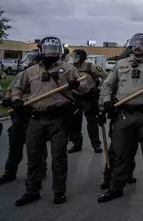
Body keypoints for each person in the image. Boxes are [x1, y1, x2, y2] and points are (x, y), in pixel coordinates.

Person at [12, 37, 88, 206]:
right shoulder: (30, 71)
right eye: (48, 48)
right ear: (41, 50)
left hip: (59, 118)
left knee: (59, 157)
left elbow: (84, 89)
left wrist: (76, 85)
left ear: (60, 50)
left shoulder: (68, 69)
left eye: (54, 48)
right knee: (33, 157)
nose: (51, 52)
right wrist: (16, 99)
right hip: (36, 118)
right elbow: (18, 88)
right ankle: (32, 191)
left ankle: (59, 192)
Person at [97, 33, 143, 203]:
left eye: (140, 44)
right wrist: (106, 103)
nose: (136, 46)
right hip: (124, 114)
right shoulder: (121, 64)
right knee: (121, 153)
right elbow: (107, 85)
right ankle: (116, 188)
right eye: (134, 43)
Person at [0, 54, 47, 185]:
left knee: (37, 146)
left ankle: (39, 171)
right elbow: (11, 90)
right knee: (15, 144)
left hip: (37, 113)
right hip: (21, 113)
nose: (29, 62)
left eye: (32, 60)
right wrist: (11, 100)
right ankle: (10, 173)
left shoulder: (45, 76)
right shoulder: (22, 74)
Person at [68, 49, 107, 153]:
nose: (74, 58)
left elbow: (106, 77)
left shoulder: (90, 66)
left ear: (83, 57)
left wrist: (99, 88)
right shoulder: (70, 68)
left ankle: (96, 145)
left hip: (90, 97)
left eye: (77, 56)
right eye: (73, 56)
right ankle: (76, 145)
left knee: (92, 122)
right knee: (75, 122)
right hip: (76, 97)